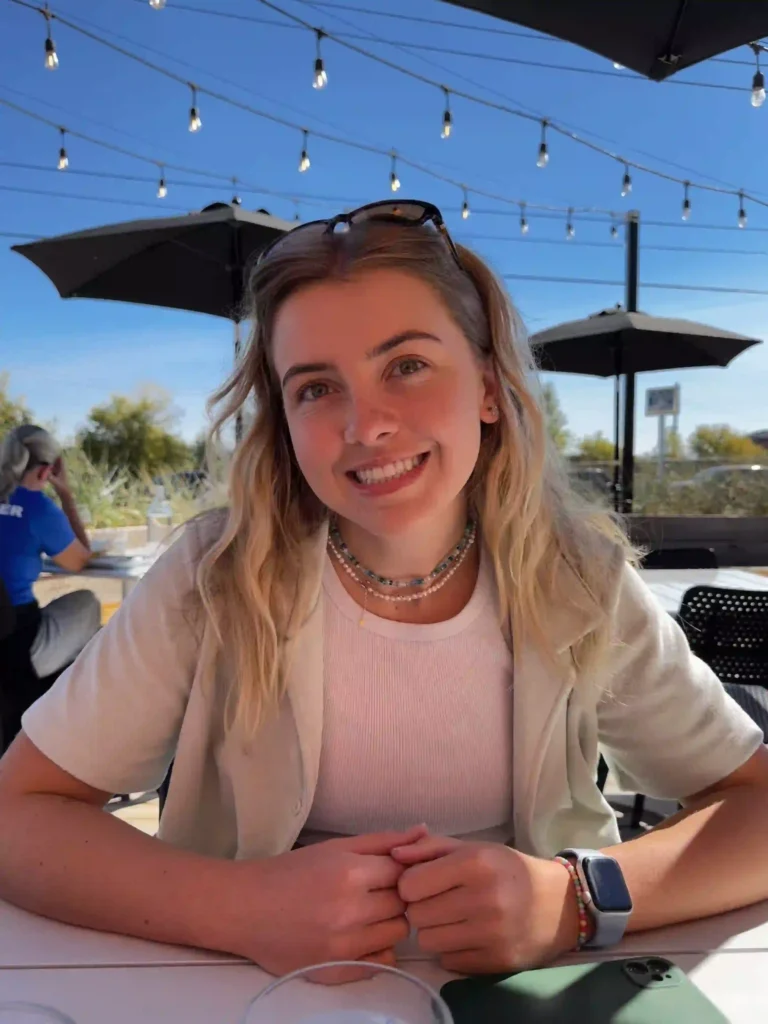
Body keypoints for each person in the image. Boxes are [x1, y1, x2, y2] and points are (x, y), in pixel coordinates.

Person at [0, 201, 767, 985]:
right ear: (284, 421)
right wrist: (241, 907)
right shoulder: (212, 576)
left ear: (489, 388)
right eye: (315, 388)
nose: (365, 425)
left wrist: (574, 898)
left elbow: (756, 807)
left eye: (406, 366)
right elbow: (17, 815)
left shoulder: (579, 577)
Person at [0, 425, 99, 680]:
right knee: (86, 603)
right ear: (47, 471)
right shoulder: (38, 508)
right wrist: (65, 495)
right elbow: (80, 560)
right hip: (16, 647)